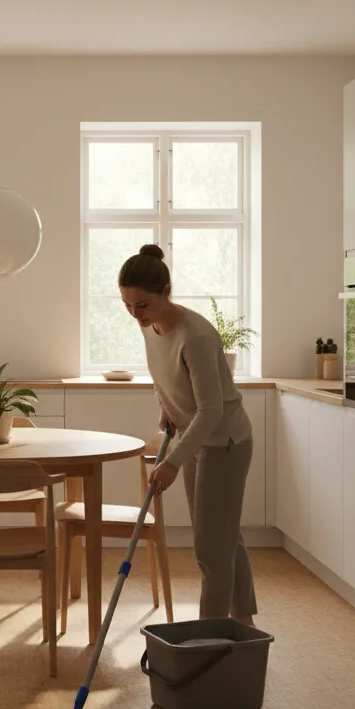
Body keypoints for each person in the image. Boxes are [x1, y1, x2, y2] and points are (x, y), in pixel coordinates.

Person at [119, 244, 257, 624]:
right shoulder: (151, 326)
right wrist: (165, 405)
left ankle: (210, 639)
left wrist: (173, 462)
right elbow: (162, 377)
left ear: (166, 292)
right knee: (223, 537)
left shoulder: (195, 336)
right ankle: (243, 622)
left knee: (211, 549)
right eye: (128, 306)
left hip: (225, 443)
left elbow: (211, 409)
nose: (135, 315)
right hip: (197, 439)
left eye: (142, 305)